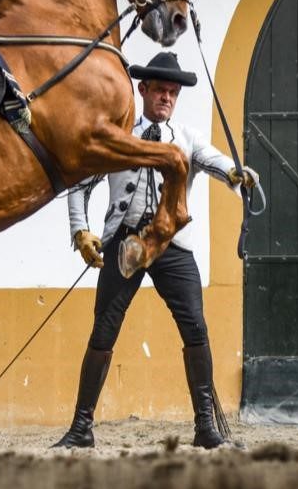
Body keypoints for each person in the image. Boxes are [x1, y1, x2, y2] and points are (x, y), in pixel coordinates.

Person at [53, 52, 257, 450]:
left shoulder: (186, 138)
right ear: (142, 90)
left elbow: (216, 163)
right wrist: (81, 231)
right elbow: (78, 183)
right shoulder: (119, 135)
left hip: (172, 244)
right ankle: (81, 428)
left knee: (196, 327)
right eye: (160, 89)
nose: (166, 97)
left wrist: (237, 173)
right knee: (103, 329)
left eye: (172, 92)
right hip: (124, 244)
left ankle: (205, 426)